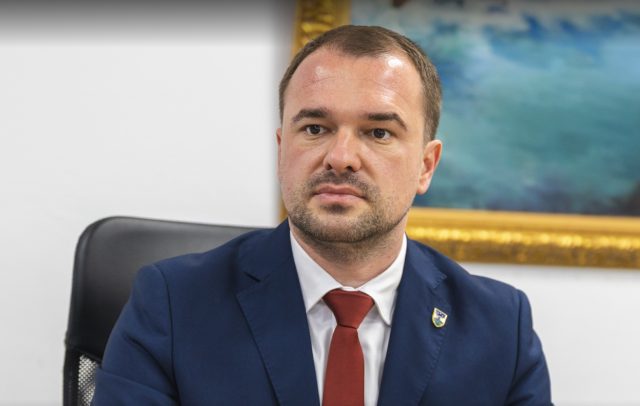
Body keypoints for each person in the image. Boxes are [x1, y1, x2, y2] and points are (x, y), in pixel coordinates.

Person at [93, 25, 551, 405]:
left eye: (378, 132)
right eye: (315, 128)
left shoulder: (500, 328)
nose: (341, 157)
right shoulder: (173, 304)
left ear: (426, 166)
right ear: (282, 150)